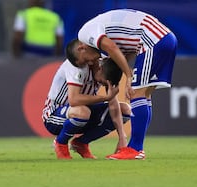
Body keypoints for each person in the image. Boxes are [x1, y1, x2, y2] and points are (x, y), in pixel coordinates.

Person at [66, 9, 178, 160]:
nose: (91, 63)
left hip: (152, 41)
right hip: (165, 38)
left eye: (85, 60)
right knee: (145, 95)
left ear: (81, 48)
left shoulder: (85, 34)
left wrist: (129, 75)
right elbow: (126, 52)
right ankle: (136, 147)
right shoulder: (101, 29)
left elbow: (112, 48)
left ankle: (135, 149)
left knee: (136, 94)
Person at [42, 39, 130, 159]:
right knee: (83, 111)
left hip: (82, 114)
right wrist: (105, 97)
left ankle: (81, 143)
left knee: (124, 109)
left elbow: (113, 104)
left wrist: (122, 137)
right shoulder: (77, 67)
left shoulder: (107, 65)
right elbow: (74, 100)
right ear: (99, 69)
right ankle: (61, 143)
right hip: (55, 114)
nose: (101, 84)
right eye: (102, 82)